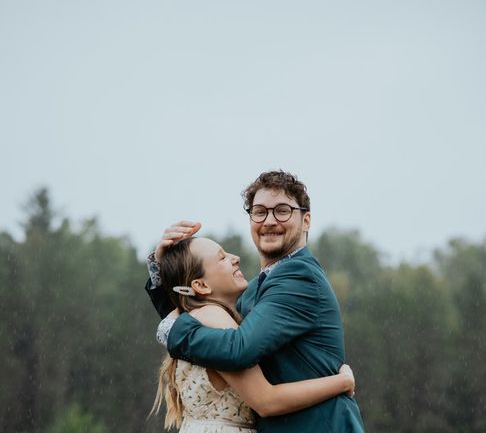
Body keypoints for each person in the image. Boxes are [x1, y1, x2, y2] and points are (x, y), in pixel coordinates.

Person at [147, 170, 366, 432]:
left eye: (282, 211)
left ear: (306, 221)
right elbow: (204, 322)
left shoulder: (299, 279)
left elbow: (239, 349)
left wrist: (170, 331)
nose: (270, 220)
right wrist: (161, 269)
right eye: (260, 211)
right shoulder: (252, 290)